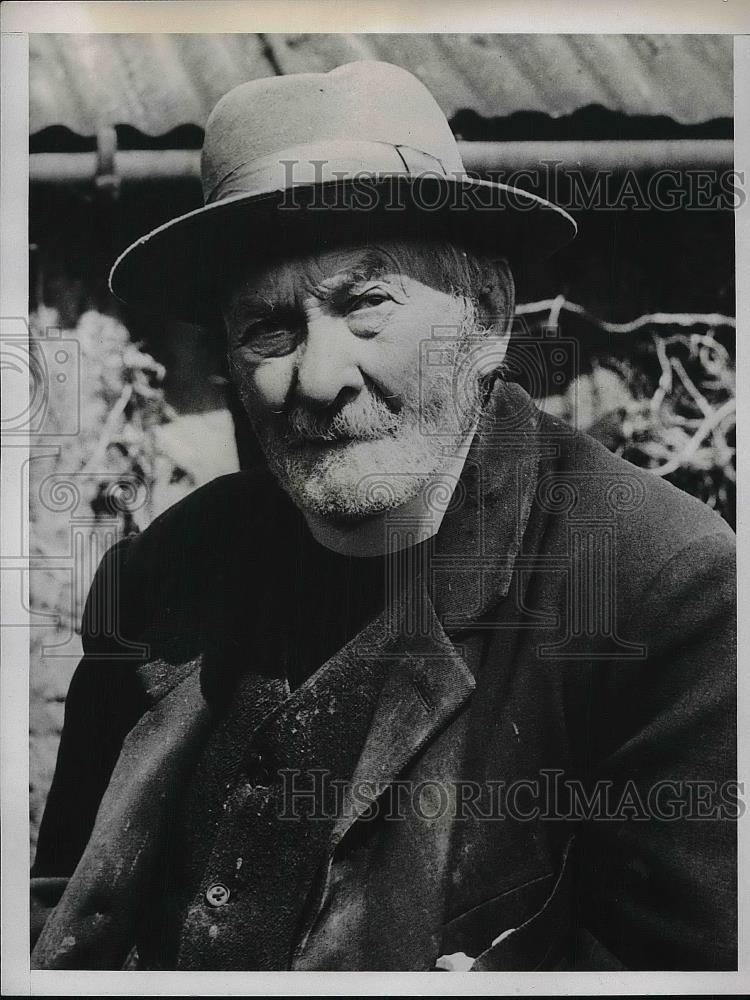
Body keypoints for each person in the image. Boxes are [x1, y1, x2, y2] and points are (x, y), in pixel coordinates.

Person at [30, 60, 736, 972]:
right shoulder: (163, 578)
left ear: (486, 320)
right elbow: (54, 926)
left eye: (367, 305)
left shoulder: (661, 596)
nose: (318, 381)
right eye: (269, 329)